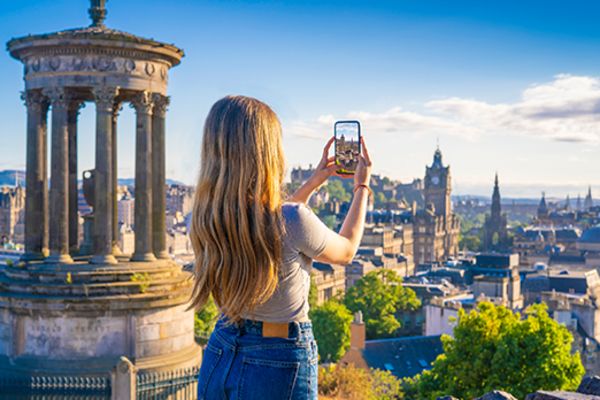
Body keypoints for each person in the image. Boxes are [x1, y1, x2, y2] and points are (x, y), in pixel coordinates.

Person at [190, 95, 372, 400]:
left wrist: (313, 182)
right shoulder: (293, 219)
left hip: (221, 349)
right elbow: (346, 251)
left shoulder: (207, 217)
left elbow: (271, 224)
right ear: (267, 152)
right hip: (276, 360)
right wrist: (361, 187)